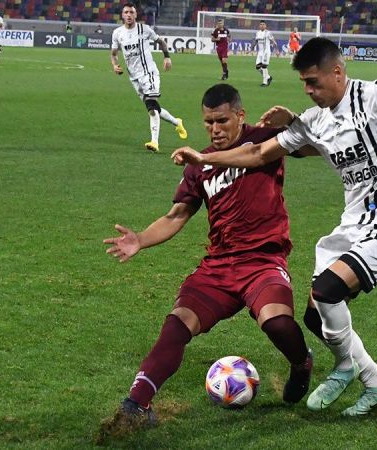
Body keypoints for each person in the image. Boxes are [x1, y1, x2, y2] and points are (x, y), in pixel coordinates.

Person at [172, 37, 377, 416]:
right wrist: (206, 158)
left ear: (337, 73)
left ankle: (346, 368)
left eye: (313, 82)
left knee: (326, 292)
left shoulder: (373, 95)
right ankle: (375, 383)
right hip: (352, 226)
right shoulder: (315, 120)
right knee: (314, 316)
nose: (307, 90)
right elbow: (258, 153)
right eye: (303, 83)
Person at [97, 83, 313, 442]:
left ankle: (301, 362)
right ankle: (136, 405)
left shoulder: (265, 139)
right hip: (219, 266)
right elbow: (177, 215)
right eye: (209, 122)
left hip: (263, 260)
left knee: (276, 322)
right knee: (176, 324)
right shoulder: (199, 164)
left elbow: (314, 146)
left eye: (222, 121)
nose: (215, 129)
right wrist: (141, 239)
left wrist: (292, 120)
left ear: (240, 116)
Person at [110, 2, 188, 152]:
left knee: (151, 107)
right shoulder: (117, 33)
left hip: (149, 73)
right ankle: (177, 122)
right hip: (134, 77)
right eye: (126, 12)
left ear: (135, 14)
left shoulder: (144, 29)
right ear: (122, 15)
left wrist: (167, 57)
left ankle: (154, 142)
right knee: (153, 107)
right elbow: (114, 54)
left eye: (131, 12)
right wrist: (115, 65)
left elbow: (161, 42)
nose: (128, 15)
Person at [252, 20, 278, 87]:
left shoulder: (268, 33)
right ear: (259, 26)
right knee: (258, 67)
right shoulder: (258, 33)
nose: (262, 25)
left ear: (266, 26)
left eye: (263, 24)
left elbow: (274, 42)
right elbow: (256, 41)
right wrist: (252, 48)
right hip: (260, 52)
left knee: (264, 66)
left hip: (266, 52)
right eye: (261, 24)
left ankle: (265, 82)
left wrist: (277, 50)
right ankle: (268, 77)